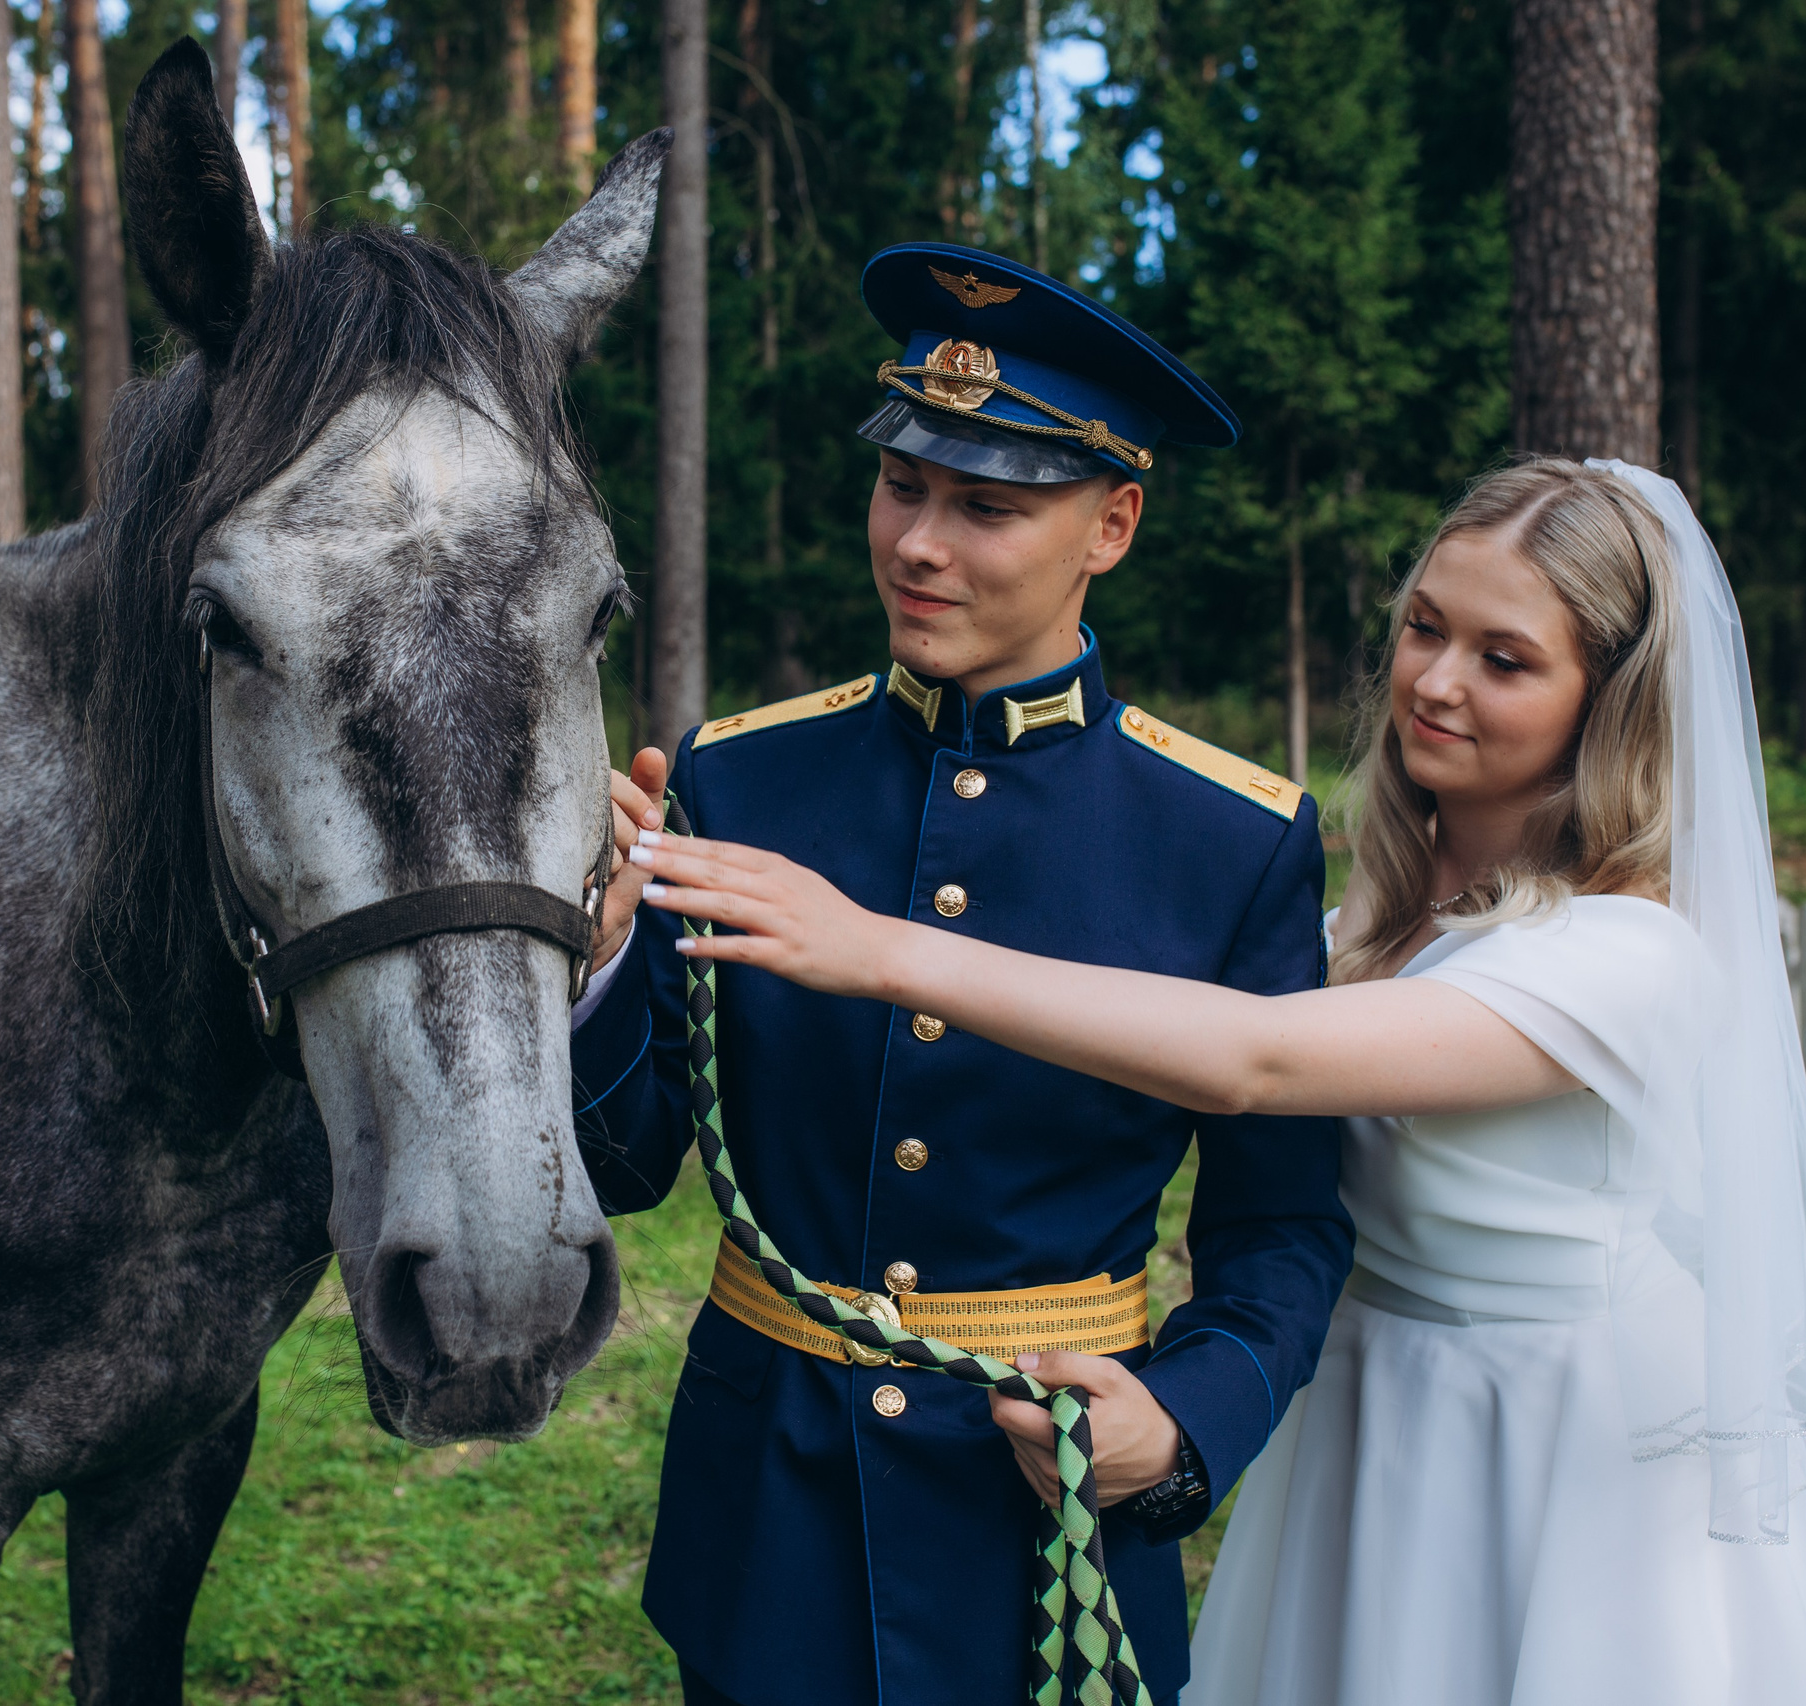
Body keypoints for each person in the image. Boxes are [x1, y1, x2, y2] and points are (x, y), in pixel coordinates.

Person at [625, 457, 1806, 1704]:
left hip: (1558, 1448)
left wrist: (877, 946)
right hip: (1360, 1420)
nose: (1433, 680)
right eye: (1423, 625)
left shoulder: (1629, 955)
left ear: (1608, 703)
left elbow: (1254, 1062)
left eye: (1505, 658)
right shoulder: (1378, 919)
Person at [567, 243, 1353, 1706]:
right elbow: (630, 1162)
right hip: (767, 1513)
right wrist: (609, 955)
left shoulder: (1232, 841)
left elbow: (1285, 1234)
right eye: (902, 485)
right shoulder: (739, 779)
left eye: (988, 506)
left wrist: (1180, 1425)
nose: (919, 543)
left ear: (1111, 523)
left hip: (1040, 1525)